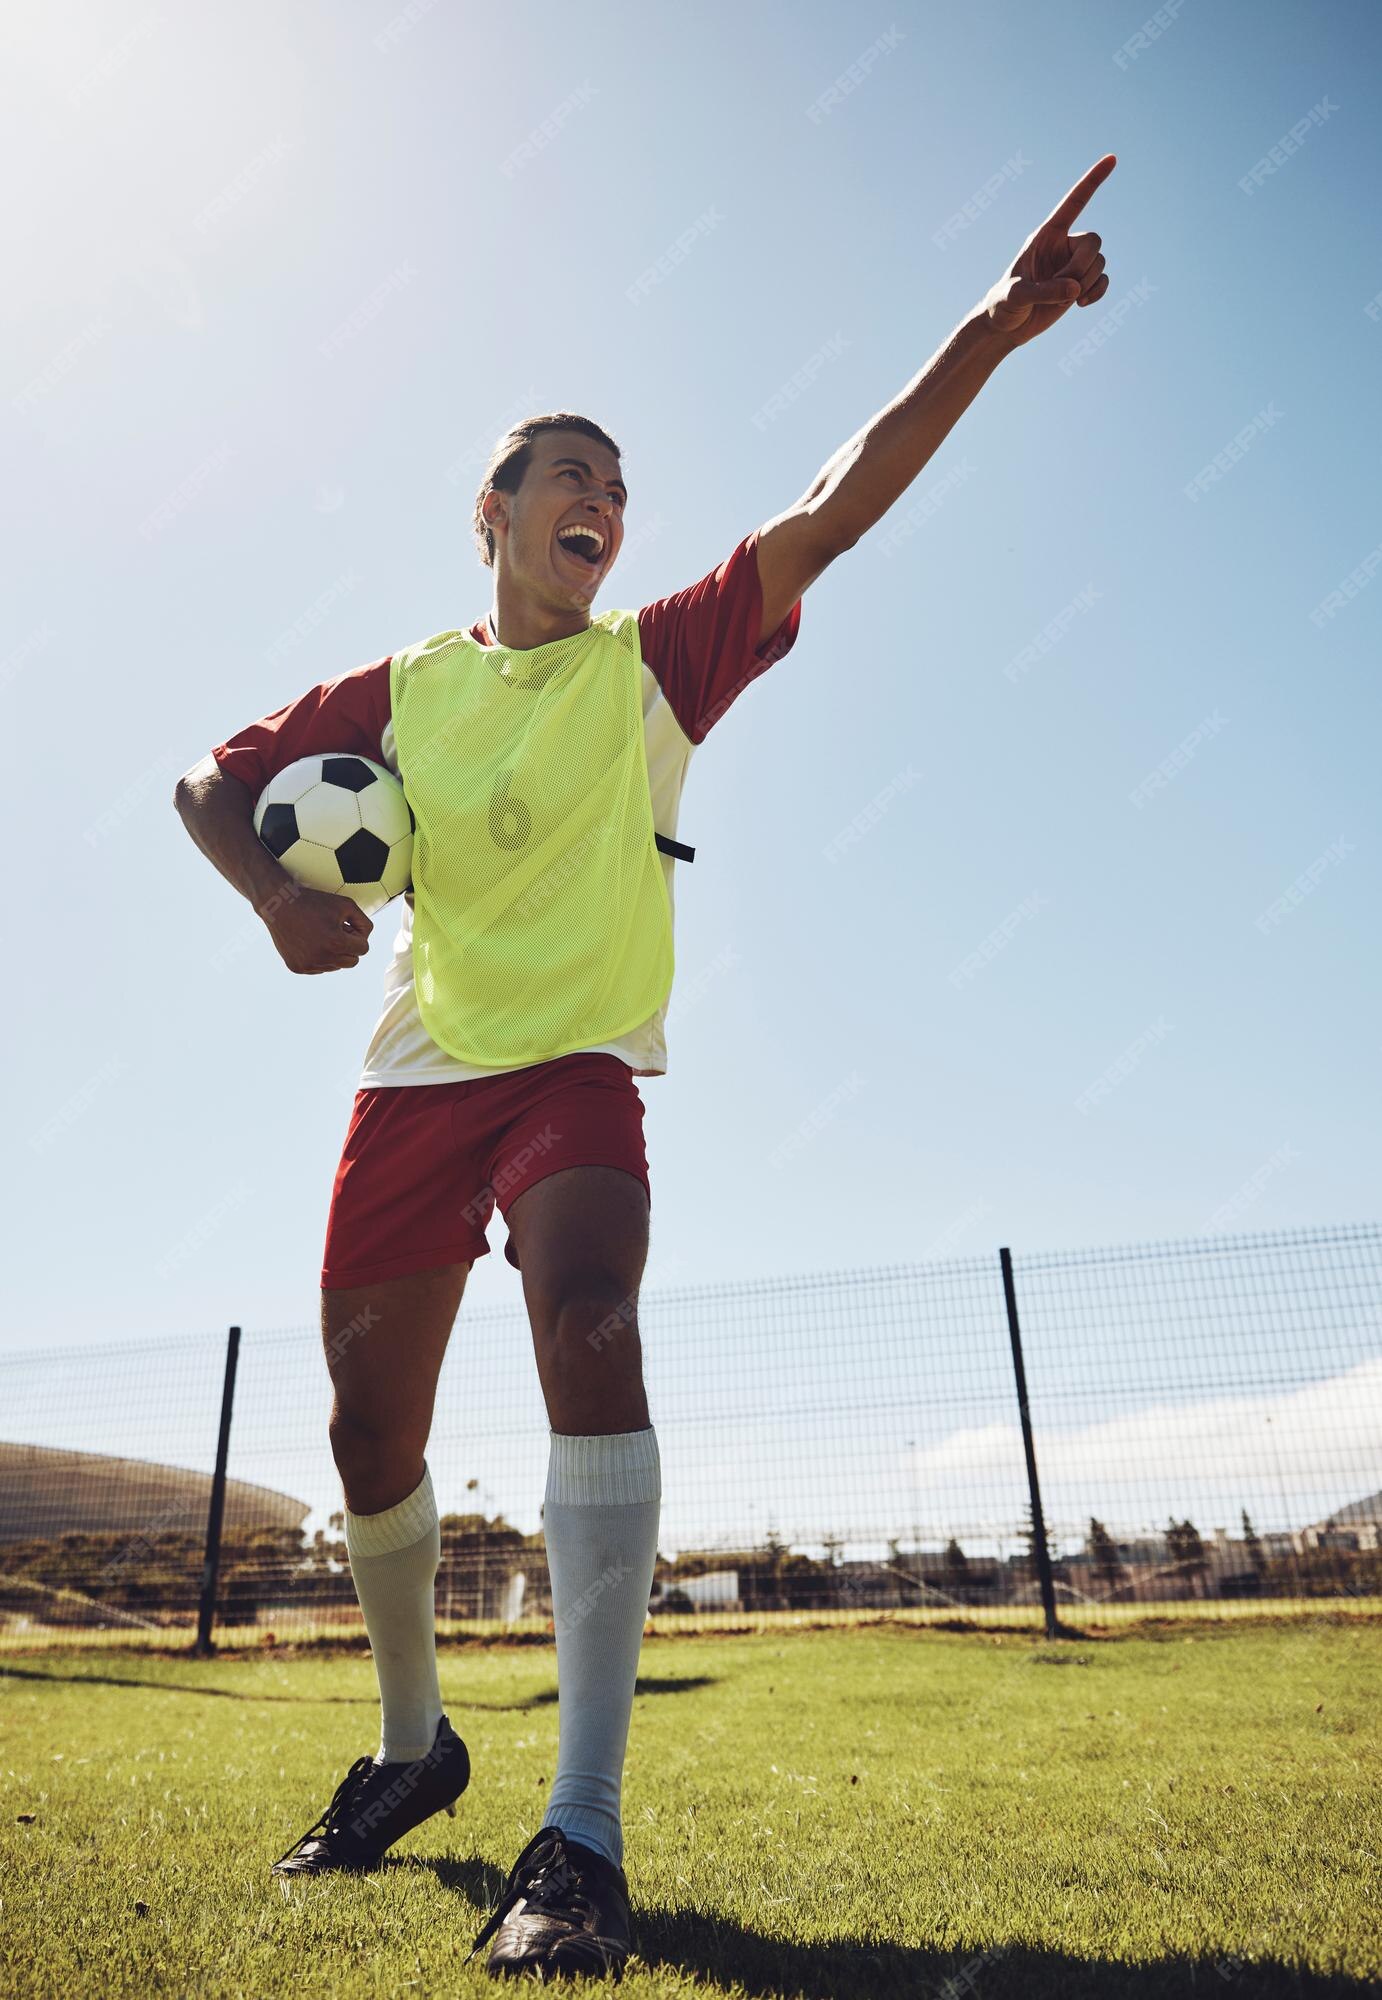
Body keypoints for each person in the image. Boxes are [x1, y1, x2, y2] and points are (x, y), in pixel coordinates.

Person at [173, 154, 1113, 1982]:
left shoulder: (661, 664)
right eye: (568, 475)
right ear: (494, 513)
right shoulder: (398, 690)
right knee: (371, 1433)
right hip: (419, 1075)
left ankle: (580, 1834)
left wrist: (988, 333)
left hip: (577, 1072)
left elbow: (833, 509)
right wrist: (270, 910)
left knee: (590, 1307)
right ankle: (411, 1749)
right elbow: (204, 782)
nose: (602, 495)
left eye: (617, 480)